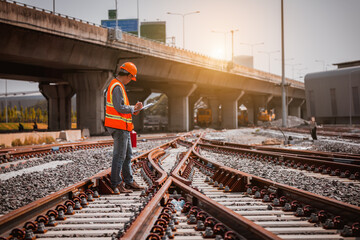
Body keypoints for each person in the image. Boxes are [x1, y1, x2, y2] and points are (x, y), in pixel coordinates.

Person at [104, 62, 144, 194]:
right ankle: (116, 184)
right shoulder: (116, 86)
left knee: (127, 156)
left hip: (123, 127)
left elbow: (122, 108)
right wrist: (133, 108)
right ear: (127, 75)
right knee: (119, 156)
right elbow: (119, 107)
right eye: (130, 78)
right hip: (118, 127)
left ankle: (129, 181)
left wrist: (134, 109)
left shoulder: (118, 85)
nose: (130, 81)